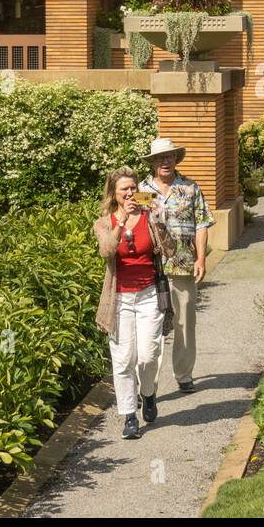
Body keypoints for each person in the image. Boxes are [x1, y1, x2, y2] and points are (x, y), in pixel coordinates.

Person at [94, 167, 176, 440]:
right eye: (124, 190)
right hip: (119, 298)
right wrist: (122, 222)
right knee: (123, 359)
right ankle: (129, 416)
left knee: (149, 354)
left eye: (133, 188)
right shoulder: (104, 222)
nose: (130, 193)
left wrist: (158, 219)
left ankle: (148, 394)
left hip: (148, 294)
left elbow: (170, 250)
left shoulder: (149, 217)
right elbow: (106, 250)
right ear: (114, 194)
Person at [138, 138, 213, 393]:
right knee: (153, 325)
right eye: (160, 158)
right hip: (152, 268)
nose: (165, 161)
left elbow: (202, 224)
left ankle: (183, 374)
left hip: (183, 265)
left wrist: (201, 257)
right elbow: (135, 225)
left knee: (184, 321)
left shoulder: (190, 188)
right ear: (153, 162)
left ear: (175, 159)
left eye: (169, 157)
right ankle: (148, 385)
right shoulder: (142, 190)